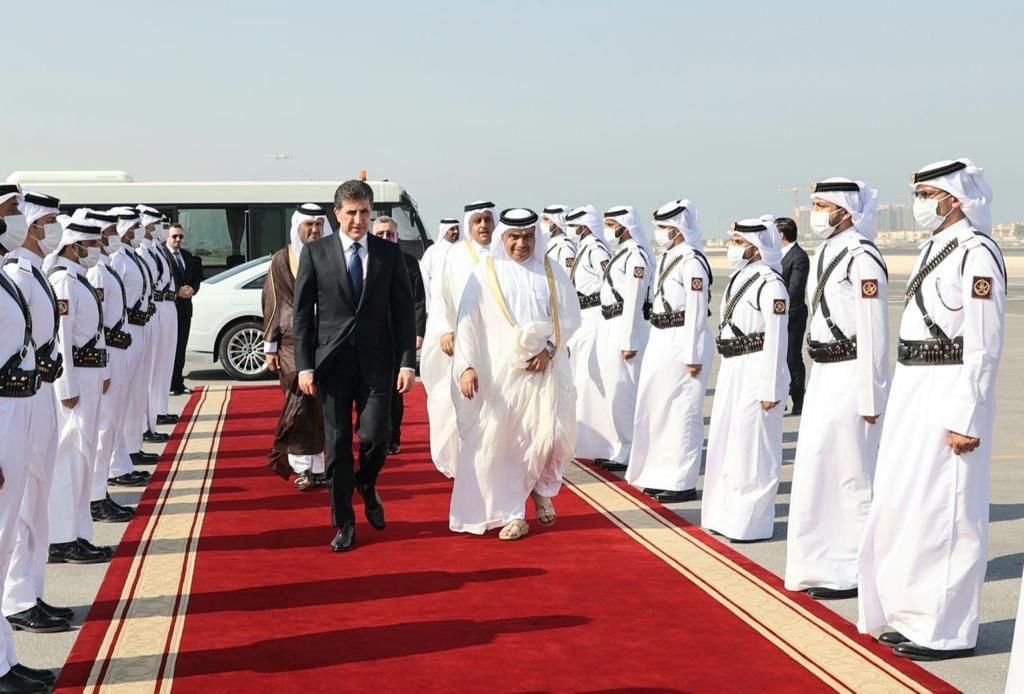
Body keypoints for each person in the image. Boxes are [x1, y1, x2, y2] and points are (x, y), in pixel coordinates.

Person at [858, 159, 1006, 661]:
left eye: (926, 194)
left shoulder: (977, 254)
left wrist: (966, 415)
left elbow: (984, 345)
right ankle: (913, 615)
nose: (920, 203)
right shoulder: (934, 248)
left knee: (947, 509)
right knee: (912, 506)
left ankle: (945, 629)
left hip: (950, 390)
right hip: (915, 387)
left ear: (954, 199)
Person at [293, 180, 417, 553]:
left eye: (364, 212)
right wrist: (304, 366)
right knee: (337, 444)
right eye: (351, 213)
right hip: (331, 364)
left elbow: (404, 312)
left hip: (378, 362)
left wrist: (408, 363)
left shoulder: (388, 254)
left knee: (377, 437)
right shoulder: (316, 254)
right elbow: (302, 315)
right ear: (338, 214)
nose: (358, 220)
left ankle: (367, 482)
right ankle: (344, 522)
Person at [784, 179, 888, 600]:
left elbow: (874, 333)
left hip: (850, 373)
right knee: (818, 469)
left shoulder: (863, 257)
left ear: (844, 210)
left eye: (821, 205)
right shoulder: (827, 251)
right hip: (825, 371)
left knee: (852, 474)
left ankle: (857, 568)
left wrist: (872, 396)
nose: (813, 212)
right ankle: (825, 562)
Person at [451, 208, 581, 540]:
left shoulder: (551, 272)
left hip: (546, 372)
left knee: (548, 437)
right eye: (514, 237)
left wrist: (549, 349)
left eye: (527, 237)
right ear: (502, 238)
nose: (521, 244)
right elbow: (466, 322)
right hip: (501, 375)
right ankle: (512, 514)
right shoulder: (485, 274)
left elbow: (570, 317)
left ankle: (540, 490)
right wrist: (466, 366)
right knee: (505, 443)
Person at [2, 192, 75, 638]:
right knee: (15, 509)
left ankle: (29, 591)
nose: (53, 229)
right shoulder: (18, 274)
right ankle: (17, 597)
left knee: (31, 501)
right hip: (12, 404)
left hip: (31, 393)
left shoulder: (22, 275)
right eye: (13, 214)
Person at [701, 217, 789, 542]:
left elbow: (777, 340)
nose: (732, 247)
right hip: (733, 368)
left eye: (738, 242)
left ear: (756, 247)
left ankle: (752, 523)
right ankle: (728, 515)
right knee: (730, 443)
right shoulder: (740, 278)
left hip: (757, 371)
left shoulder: (771, 284)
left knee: (754, 450)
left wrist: (771, 387)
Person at [0, 186, 53, 694]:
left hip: (14, 414)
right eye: (12, 212)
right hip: (1, 422)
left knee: (4, 537)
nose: (19, 220)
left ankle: (4, 659)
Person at [627, 200, 712, 502]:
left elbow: (697, 311)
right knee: (658, 408)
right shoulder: (667, 257)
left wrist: (693, 354)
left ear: (677, 229)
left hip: (682, 340)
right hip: (661, 336)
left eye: (664, 228)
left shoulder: (692, 261)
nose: (660, 233)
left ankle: (682, 480)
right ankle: (661, 473)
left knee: (683, 413)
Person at [46, 219, 113, 565]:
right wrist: (67, 385)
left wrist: (103, 372)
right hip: (76, 381)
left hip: (90, 374)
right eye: (92, 244)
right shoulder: (63, 282)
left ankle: (78, 533)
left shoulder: (78, 279)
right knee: (71, 459)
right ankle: (62, 537)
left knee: (84, 458)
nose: (97, 250)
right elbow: (61, 338)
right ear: (75, 247)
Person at [421, 201, 495, 478]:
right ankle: (460, 460)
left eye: (488, 220)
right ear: (469, 225)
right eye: (477, 221)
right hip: (461, 341)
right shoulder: (455, 255)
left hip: (494, 343)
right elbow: (440, 296)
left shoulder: (502, 254)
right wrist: (443, 330)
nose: (483, 226)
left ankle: (488, 461)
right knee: (457, 401)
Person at [81, 209, 147, 520]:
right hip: (103, 353)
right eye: (104, 234)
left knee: (110, 423)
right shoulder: (95, 272)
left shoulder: (105, 267)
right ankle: (95, 496)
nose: (109, 238)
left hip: (115, 348)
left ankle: (100, 491)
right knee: (103, 427)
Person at [263, 204, 329, 490]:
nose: (314, 230)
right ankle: (298, 464)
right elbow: (272, 302)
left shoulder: (330, 255)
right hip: (290, 342)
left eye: (318, 225)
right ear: (298, 226)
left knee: (320, 405)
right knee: (301, 397)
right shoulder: (282, 259)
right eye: (309, 225)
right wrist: (270, 345)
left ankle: (318, 467)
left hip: (325, 340)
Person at [590, 206, 653, 471]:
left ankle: (629, 448)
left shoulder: (636, 256)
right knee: (613, 390)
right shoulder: (622, 254)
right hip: (610, 323)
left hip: (624, 326)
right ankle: (620, 446)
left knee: (624, 391)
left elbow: (634, 300)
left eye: (611, 223)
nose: (607, 229)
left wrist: (628, 340)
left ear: (624, 226)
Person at [108, 208, 158, 478]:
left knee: (134, 394)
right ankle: (117, 463)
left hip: (136, 328)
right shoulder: (117, 259)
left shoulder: (129, 256)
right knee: (119, 402)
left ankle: (130, 448)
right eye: (136, 225)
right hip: (122, 334)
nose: (141, 230)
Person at [371, 216, 426, 455]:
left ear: (397, 237)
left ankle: (393, 438)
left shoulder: (410, 263)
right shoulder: (366, 260)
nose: (385, 238)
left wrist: (417, 333)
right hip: (369, 337)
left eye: (390, 234)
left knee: (395, 393)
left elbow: (418, 302)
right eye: (380, 234)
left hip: (398, 337)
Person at [564, 205, 612, 462]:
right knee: (581, 380)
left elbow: (610, 281)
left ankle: (598, 443)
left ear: (584, 226)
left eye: (573, 224)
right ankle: (585, 440)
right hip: (583, 316)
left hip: (594, 315)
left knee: (591, 381)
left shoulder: (596, 249)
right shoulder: (585, 247)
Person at [136, 205, 174, 440]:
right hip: (153, 307)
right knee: (149, 370)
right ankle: (147, 421)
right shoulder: (142, 251)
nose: (163, 229)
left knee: (162, 362)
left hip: (164, 305)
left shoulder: (155, 250)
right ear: (148, 226)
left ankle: (157, 411)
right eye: (158, 224)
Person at [778, 217, 809, 415]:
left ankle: (798, 401)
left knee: (792, 359)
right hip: (778, 316)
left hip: (793, 316)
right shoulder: (775, 255)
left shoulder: (798, 257)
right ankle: (781, 399)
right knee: (778, 359)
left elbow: (795, 289)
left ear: (781, 235)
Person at [166, 223, 202, 395]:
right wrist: (177, 290)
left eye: (180, 236)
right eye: (174, 236)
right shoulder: (163, 256)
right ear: (167, 237)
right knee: (169, 349)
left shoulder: (187, 256)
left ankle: (178, 382)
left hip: (185, 309)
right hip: (169, 308)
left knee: (181, 347)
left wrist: (192, 290)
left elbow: (197, 278)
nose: (178, 239)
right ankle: (169, 384)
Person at [419, 218, 459, 310]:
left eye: (457, 228)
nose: (456, 231)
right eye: (452, 229)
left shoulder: (463, 250)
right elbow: (424, 278)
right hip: (437, 304)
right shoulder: (433, 251)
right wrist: (428, 307)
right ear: (444, 231)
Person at [541, 204, 576, 270]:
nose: (543, 223)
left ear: (557, 222)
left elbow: (568, 276)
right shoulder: (550, 243)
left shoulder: (565, 247)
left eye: (546, 219)